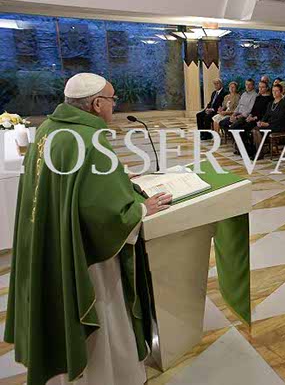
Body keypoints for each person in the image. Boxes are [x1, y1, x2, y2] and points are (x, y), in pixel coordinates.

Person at [5, 73, 172, 385]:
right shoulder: (89, 138)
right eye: (111, 99)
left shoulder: (48, 128)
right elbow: (106, 214)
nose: (114, 105)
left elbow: (73, 184)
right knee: (105, 309)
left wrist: (117, 178)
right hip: (85, 252)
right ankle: (110, 376)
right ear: (96, 104)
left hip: (52, 236)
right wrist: (140, 208)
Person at [252, 83, 285, 152]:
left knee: (258, 130)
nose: (274, 93)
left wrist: (268, 124)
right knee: (255, 129)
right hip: (270, 124)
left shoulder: (284, 103)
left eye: (276, 91)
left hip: (279, 126)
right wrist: (261, 122)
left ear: (281, 92)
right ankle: (259, 150)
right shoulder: (271, 103)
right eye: (273, 91)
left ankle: (260, 152)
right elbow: (266, 115)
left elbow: (280, 118)